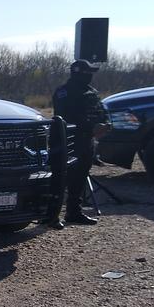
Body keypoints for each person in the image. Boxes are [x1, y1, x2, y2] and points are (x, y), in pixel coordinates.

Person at [52, 59, 111, 227]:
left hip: (87, 140)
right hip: (69, 141)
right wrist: (91, 126)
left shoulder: (91, 91)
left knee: (80, 177)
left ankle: (74, 212)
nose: (90, 76)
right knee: (61, 179)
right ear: (78, 73)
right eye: (87, 73)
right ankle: (52, 215)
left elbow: (101, 110)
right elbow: (66, 116)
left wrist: (105, 124)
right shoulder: (64, 92)